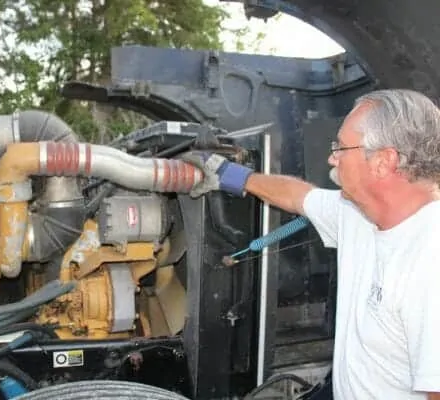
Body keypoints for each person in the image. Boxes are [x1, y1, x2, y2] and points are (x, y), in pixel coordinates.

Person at [181, 89, 440, 400]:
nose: (332, 158)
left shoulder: (429, 261)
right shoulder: (357, 213)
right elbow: (297, 196)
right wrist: (229, 174)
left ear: (384, 162)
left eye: (341, 147)